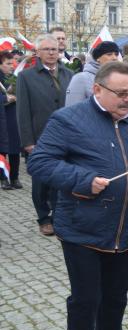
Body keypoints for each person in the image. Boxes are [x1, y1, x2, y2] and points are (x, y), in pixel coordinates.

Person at [27, 61, 128, 330]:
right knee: (86, 301)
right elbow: (39, 162)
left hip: (126, 232)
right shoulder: (69, 120)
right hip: (83, 231)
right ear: (97, 89)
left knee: (116, 300)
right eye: (120, 93)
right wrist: (83, 180)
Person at [16, 34, 73, 236]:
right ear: (38, 53)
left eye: (55, 49)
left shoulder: (68, 74)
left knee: (61, 178)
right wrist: (28, 142)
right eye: (47, 49)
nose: (52, 53)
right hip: (40, 137)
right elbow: (22, 111)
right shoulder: (26, 77)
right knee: (41, 181)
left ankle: (59, 216)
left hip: (65, 137)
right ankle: (43, 217)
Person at [65, 41, 120, 106]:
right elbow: (72, 110)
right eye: (109, 54)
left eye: (116, 54)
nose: (114, 58)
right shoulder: (81, 78)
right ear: (98, 58)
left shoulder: (117, 79)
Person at [0, 51, 21, 190]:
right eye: (8, 63)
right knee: (1, 150)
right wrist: (5, 98)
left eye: (12, 63)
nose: (11, 66)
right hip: (2, 118)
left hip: (13, 118)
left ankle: (14, 177)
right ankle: (3, 178)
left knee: (15, 149)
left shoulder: (15, 78)